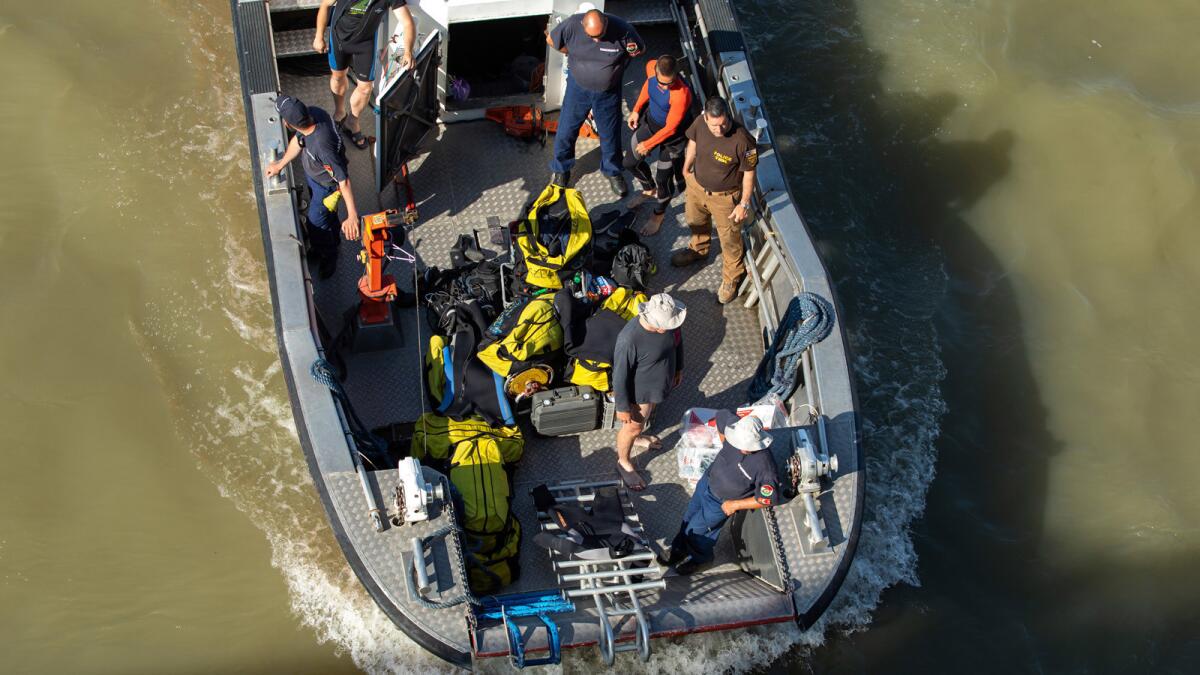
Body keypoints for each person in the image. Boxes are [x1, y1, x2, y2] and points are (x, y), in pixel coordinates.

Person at [662, 414, 779, 575]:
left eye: (747, 445)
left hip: (720, 504)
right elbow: (721, 416)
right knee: (688, 519)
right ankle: (679, 549)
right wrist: (725, 440)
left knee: (697, 531)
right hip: (706, 483)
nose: (742, 447)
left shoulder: (765, 467)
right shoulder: (734, 429)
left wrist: (735, 505)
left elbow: (767, 499)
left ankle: (701, 560)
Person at [546, 8, 645, 196]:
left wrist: (617, 68)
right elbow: (551, 39)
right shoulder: (572, 25)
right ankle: (561, 170)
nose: (598, 40)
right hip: (578, 89)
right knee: (566, 131)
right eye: (592, 36)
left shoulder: (623, 30)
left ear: (606, 23)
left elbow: (639, 50)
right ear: (583, 25)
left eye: (600, 35)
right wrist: (570, 52)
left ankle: (612, 171)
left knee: (610, 135)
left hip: (607, 93)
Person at [671, 96, 758, 305]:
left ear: (728, 115)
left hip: (725, 199)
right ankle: (698, 250)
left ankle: (732, 277)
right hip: (697, 188)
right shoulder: (700, 123)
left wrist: (743, 203)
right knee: (695, 221)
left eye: (723, 124)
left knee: (729, 239)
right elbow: (693, 142)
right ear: (705, 117)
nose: (719, 130)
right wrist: (686, 167)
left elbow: (749, 173)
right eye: (714, 125)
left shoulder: (743, 140)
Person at [265, 96, 360, 279]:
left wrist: (352, 215)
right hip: (314, 179)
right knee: (327, 219)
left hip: (327, 189)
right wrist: (280, 164)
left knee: (315, 223)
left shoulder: (322, 147)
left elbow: (343, 181)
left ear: (288, 124)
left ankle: (329, 255)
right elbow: (299, 141)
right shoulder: (315, 113)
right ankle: (332, 239)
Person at [313, 0, 415, 150]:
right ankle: (339, 113)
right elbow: (325, 5)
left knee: (366, 88)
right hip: (339, 38)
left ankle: (352, 121)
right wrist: (319, 36)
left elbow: (407, 23)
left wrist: (408, 51)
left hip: (365, 44)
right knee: (338, 76)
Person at [611, 293, 686, 491]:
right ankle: (623, 462)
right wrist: (623, 407)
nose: (667, 329)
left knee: (643, 420)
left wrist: (678, 368)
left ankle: (639, 437)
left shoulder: (670, 323)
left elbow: (677, 343)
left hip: (659, 383)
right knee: (632, 427)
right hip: (639, 391)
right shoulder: (629, 340)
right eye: (663, 325)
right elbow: (619, 376)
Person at [623, 54, 693, 236]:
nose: (664, 86)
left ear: (676, 76)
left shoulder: (681, 94)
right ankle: (649, 189)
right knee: (630, 163)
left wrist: (648, 144)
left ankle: (658, 215)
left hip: (673, 140)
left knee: (664, 179)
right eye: (661, 83)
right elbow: (648, 86)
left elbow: (671, 128)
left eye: (669, 84)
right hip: (651, 124)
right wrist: (637, 110)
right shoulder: (652, 66)